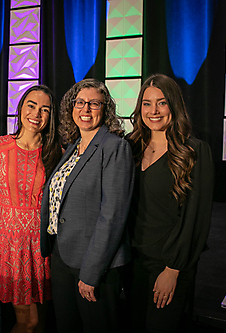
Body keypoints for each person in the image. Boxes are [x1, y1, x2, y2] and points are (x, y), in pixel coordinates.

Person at [40, 78, 134, 332]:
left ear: (106, 110)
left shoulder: (115, 148)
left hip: (94, 266)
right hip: (62, 256)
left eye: (94, 104)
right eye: (80, 102)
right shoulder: (73, 147)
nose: (85, 109)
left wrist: (91, 273)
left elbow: (112, 216)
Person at [126, 74, 214, 332]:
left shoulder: (194, 151)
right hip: (133, 260)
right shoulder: (130, 147)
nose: (153, 111)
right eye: (146, 103)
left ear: (174, 106)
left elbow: (196, 218)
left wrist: (173, 269)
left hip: (168, 264)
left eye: (161, 103)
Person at [0, 85, 63, 333]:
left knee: (40, 323)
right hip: (11, 244)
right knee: (26, 323)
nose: (37, 114)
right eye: (31, 105)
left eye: (45, 109)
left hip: (40, 245)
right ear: (20, 108)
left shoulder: (56, 153)